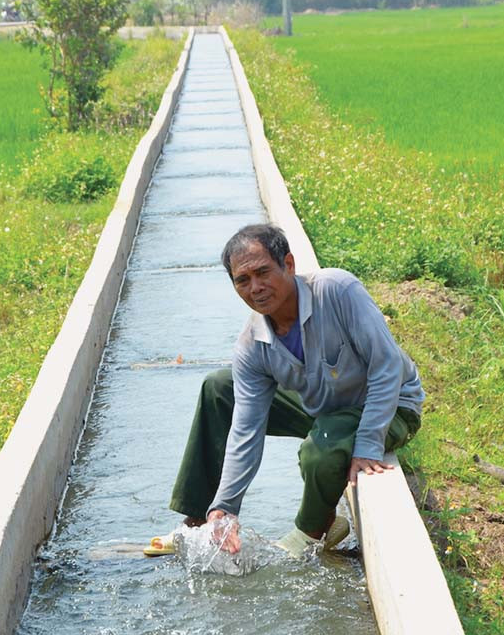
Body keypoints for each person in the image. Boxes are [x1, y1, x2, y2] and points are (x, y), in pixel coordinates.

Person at [145, 224, 424, 558]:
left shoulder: (336, 291)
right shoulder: (252, 344)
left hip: (390, 405)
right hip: (324, 406)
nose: (256, 288)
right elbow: (246, 428)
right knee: (219, 389)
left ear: (288, 265)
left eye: (263, 272)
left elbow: (386, 364)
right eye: (242, 280)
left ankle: (313, 529)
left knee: (321, 449)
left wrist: (368, 444)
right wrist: (226, 506)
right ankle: (201, 521)